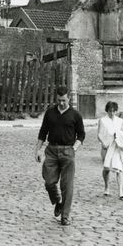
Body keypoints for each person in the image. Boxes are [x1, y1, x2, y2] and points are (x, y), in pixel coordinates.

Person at [35, 88, 86, 226]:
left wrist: (74, 148)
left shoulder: (75, 115)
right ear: (56, 99)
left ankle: (65, 216)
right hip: (51, 150)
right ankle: (58, 201)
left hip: (68, 152)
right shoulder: (50, 113)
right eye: (59, 100)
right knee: (49, 182)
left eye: (64, 100)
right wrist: (38, 150)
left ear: (69, 99)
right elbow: (43, 132)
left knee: (67, 185)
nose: (62, 103)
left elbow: (81, 135)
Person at [97, 100, 123, 199]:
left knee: (119, 169)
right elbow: (99, 134)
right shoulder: (102, 120)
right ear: (107, 111)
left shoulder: (119, 121)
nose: (111, 113)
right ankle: (107, 187)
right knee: (106, 168)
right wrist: (104, 143)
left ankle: (121, 191)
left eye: (113, 111)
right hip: (107, 146)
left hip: (117, 147)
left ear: (116, 111)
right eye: (109, 111)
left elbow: (122, 134)